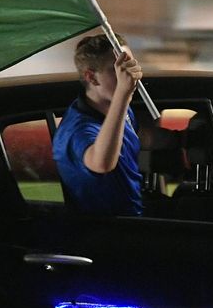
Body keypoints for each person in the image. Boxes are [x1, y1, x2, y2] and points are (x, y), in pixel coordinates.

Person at [53, 33, 145, 216]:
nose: (131, 76)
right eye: (118, 69)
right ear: (92, 78)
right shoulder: (76, 130)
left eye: (130, 66)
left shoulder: (118, 111)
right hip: (106, 232)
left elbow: (133, 140)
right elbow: (102, 163)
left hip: (135, 218)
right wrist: (123, 94)